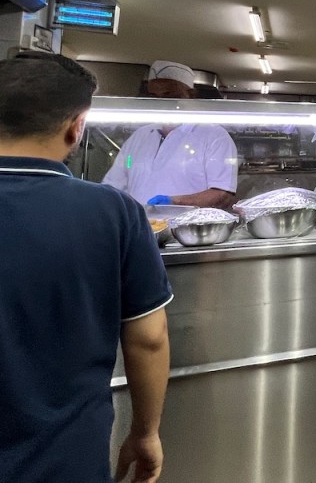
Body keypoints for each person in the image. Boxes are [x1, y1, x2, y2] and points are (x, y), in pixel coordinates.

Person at [0, 52, 172, 483]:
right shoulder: (115, 213)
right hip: (66, 458)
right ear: (76, 127)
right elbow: (149, 339)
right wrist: (145, 433)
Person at [103, 61, 238, 208]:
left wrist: (174, 202)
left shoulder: (214, 136)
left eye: (170, 96)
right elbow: (113, 187)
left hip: (186, 223)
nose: (162, 103)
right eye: (154, 97)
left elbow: (223, 194)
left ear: (190, 96)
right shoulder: (140, 136)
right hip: (139, 221)